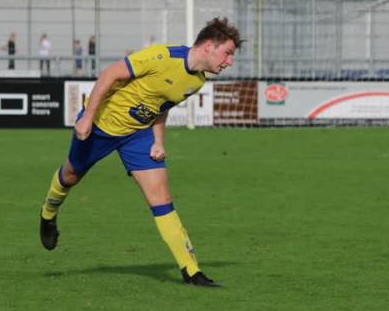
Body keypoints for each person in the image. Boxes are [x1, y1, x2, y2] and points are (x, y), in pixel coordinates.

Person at [39, 17, 243, 287]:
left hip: (138, 135)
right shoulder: (161, 56)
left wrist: (158, 141)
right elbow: (110, 74)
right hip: (101, 125)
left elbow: (162, 106)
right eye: (227, 53)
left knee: (161, 196)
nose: (229, 61)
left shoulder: (197, 82)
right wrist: (87, 117)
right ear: (208, 46)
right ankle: (48, 213)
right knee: (70, 175)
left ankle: (191, 271)